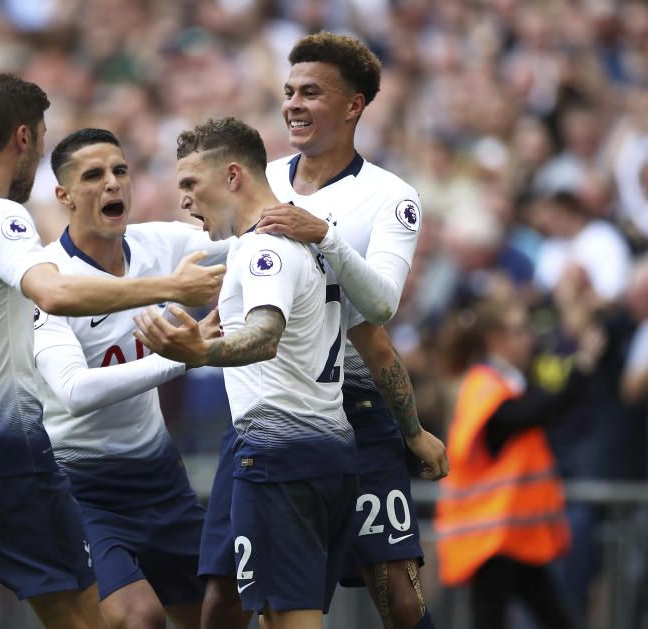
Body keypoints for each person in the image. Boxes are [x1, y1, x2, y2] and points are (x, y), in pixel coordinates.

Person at [0, 73, 224, 629]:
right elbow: (53, 293)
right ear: (24, 138)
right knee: (98, 621)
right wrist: (171, 289)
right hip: (6, 462)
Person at [244, 32, 447, 629]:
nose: (294, 105)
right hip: (272, 409)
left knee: (402, 600)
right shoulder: (260, 183)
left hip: (357, 409)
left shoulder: (391, 197)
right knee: (232, 601)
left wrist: (322, 234)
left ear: (354, 105)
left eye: (311, 92)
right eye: (288, 92)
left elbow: (380, 308)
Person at [136, 116, 369, 629]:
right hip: (306, 446)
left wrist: (197, 352)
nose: (185, 200)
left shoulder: (266, 247)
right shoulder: (292, 237)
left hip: (281, 456)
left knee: (289, 618)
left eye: (191, 185)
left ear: (233, 176)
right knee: (237, 605)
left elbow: (265, 337)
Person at [34, 127, 229, 629]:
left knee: (219, 611)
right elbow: (74, 391)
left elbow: (241, 244)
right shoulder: (47, 280)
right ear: (64, 196)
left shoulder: (160, 244)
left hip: (159, 476)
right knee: (139, 619)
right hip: (81, 486)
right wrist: (182, 357)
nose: (112, 184)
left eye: (120, 171)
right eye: (94, 175)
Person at [435, 296, 603, 629]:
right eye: (520, 330)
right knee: (501, 618)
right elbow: (534, 413)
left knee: (547, 616)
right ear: (497, 339)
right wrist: (581, 367)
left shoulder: (504, 383)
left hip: (508, 536)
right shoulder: (487, 388)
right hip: (492, 536)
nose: (529, 338)